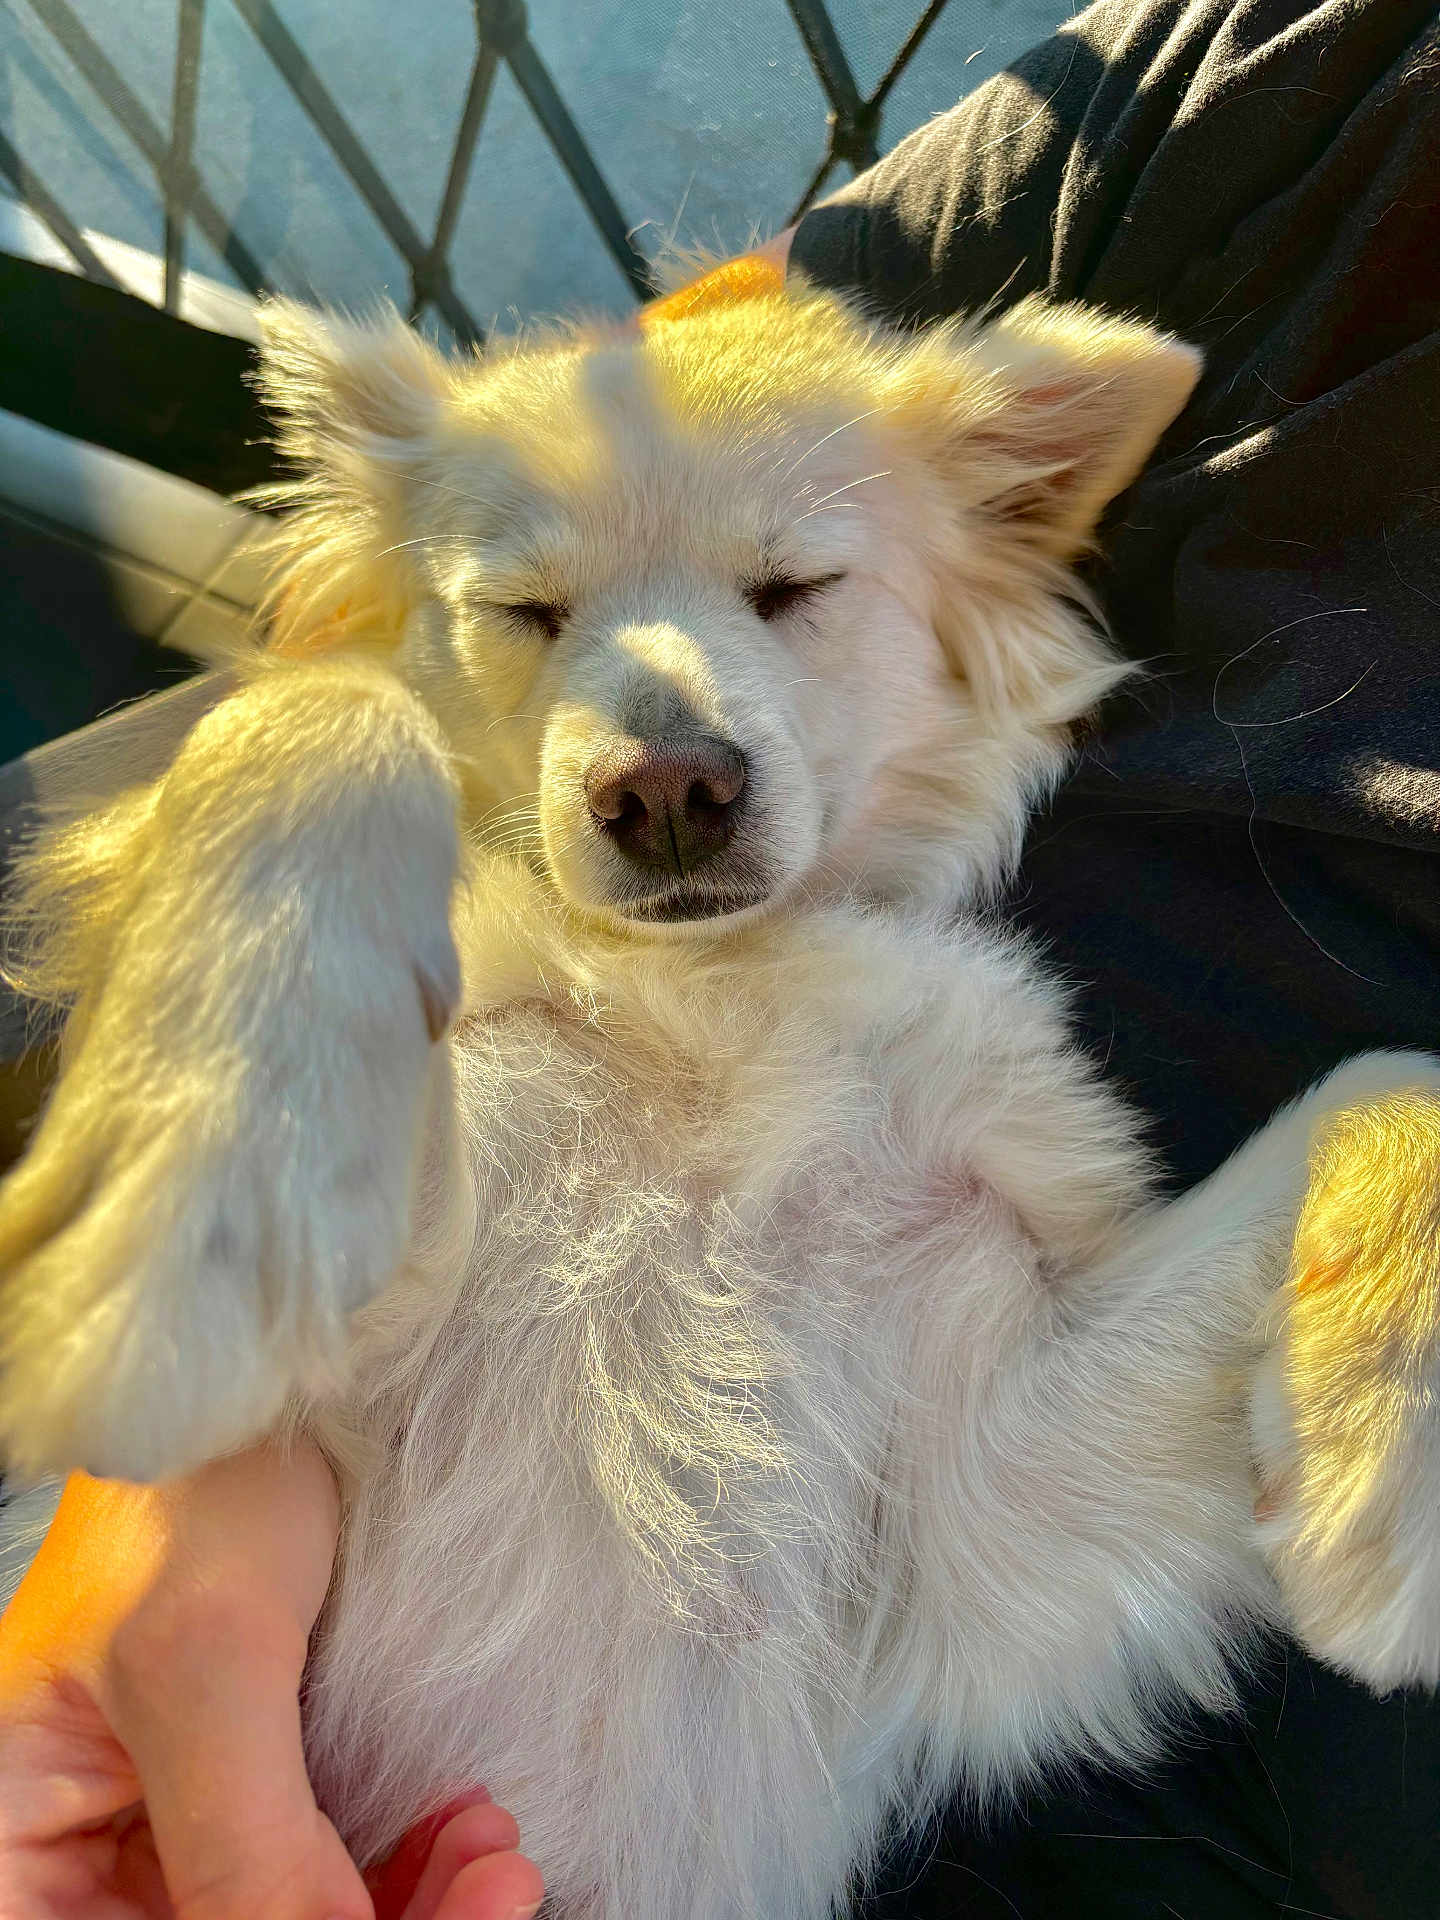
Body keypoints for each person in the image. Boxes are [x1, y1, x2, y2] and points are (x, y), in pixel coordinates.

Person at [3, 0, 1439, 1912]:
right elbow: (677, 372)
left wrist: (1387, 1171)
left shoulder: (964, 1064)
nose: (661, 752)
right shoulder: (1290, 61)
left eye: (785, 590)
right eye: (530, 607)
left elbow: (1002, 1582)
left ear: (978, 573)